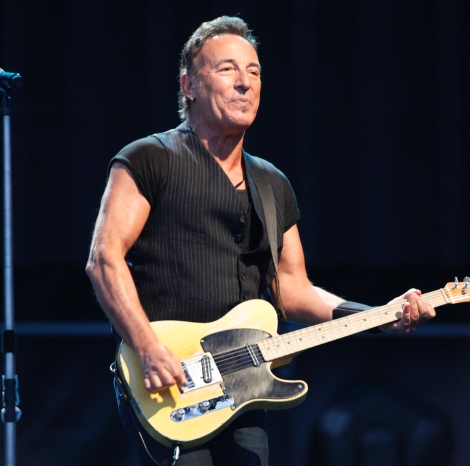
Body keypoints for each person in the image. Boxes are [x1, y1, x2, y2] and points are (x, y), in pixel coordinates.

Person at [85, 16, 436, 466]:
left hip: (244, 382)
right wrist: (147, 346)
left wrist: (380, 316)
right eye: (227, 69)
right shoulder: (150, 158)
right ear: (189, 85)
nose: (245, 83)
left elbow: (293, 289)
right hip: (169, 382)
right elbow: (104, 259)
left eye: (254, 72)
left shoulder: (271, 183)